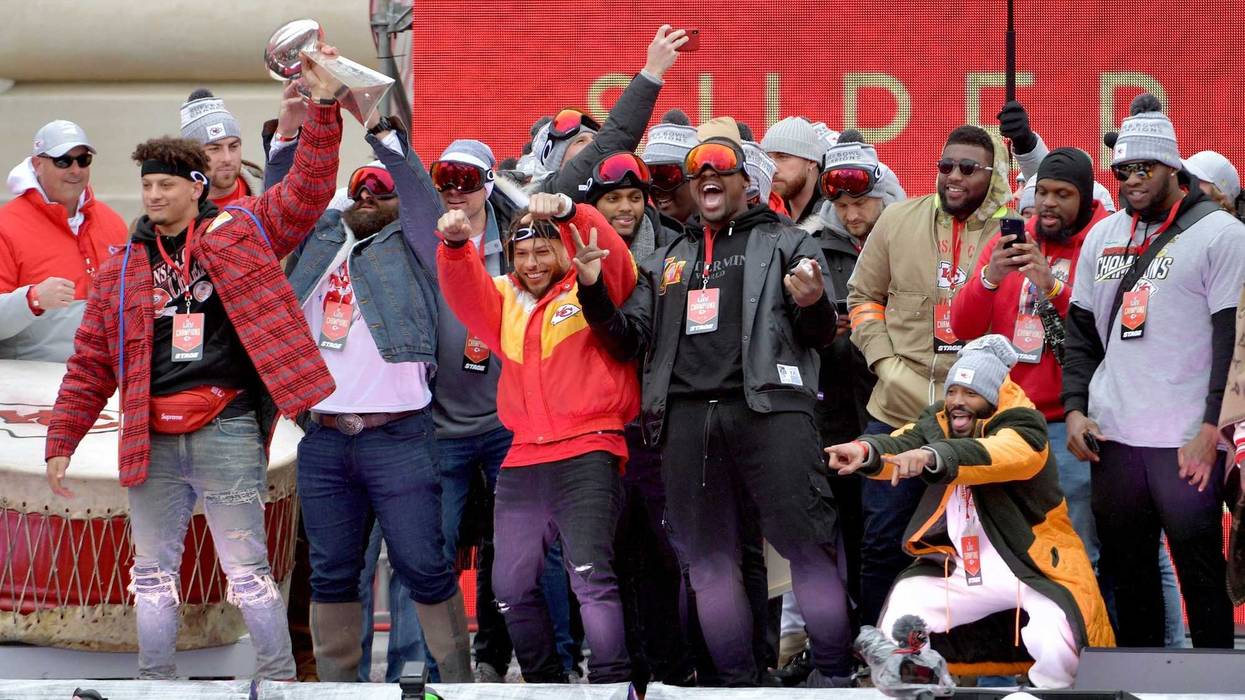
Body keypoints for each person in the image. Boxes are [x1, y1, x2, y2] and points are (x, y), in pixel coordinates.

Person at [44, 55, 344, 680]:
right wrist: (61, 440)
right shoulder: (124, 263)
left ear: (196, 187)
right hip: (147, 431)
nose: (154, 195)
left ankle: (280, 680)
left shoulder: (241, 230)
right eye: (148, 186)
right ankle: (155, 684)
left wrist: (321, 112)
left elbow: (309, 191)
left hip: (227, 424)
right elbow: (90, 362)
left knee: (248, 571)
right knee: (151, 573)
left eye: (167, 186)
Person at [580, 117, 852, 687]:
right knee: (708, 565)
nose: (704, 172)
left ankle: (834, 674)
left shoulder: (786, 240)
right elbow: (627, 338)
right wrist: (592, 291)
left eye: (719, 164)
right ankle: (735, 684)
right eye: (696, 166)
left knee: (807, 549)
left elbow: (822, 334)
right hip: (684, 421)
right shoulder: (666, 258)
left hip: (771, 412)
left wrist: (811, 305)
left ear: (746, 181)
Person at [283, 113, 472, 681]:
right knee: (332, 572)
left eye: (380, 189)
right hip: (324, 438)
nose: (368, 193)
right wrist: (292, 135)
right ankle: (340, 689)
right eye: (359, 188)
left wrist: (389, 146)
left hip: (399, 436)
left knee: (425, 567)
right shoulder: (318, 243)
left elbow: (423, 208)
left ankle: (457, 684)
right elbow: (280, 207)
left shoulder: (415, 246)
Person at [826, 335, 1114, 688]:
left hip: (1032, 566)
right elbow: (902, 442)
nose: (957, 403)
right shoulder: (939, 421)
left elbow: (995, 454)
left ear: (992, 398)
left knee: (1059, 630)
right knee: (905, 603)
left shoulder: (1025, 427)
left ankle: (1050, 692)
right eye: (952, 392)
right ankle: (917, 686)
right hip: (965, 569)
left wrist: (932, 457)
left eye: (970, 394)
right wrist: (865, 452)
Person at [1062, 98, 1244, 649]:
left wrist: (1213, 428)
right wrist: (1074, 410)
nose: (1133, 180)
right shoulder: (1102, 235)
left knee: (1199, 572)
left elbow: (1234, 342)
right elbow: (1081, 334)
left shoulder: (1221, 234)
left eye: (1145, 168)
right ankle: (1142, 684)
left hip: (1185, 439)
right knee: (1128, 572)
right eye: (1122, 170)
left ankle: (1216, 684)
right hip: (1114, 435)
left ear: (1174, 168)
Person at [436, 191, 639, 683]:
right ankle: (546, 683)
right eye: (522, 253)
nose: (531, 263)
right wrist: (456, 247)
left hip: (589, 447)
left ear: (564, 251)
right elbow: (463, 293)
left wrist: (572, 212)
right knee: (507, 586)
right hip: (524, 455)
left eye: (543, 251)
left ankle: (612, 684)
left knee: (590, 576)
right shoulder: (504, 298)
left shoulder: (589, 284)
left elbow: (615, 261)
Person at [847, 124, 1012, 627]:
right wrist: (884, 364)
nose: (953, 177)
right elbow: (862, 299)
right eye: (946, 167)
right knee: (882, 540)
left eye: (968, 168)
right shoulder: (898, 220)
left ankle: (964, 658)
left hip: (983, 419)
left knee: (981, 549)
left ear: (993, 174)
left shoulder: (1012, 228)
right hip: (896, 411)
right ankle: (879, 650)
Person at [950, 147, 1110, 570]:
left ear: (1085, 198)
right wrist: (990, 277)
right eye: (1043, 192)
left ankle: (1084, 637)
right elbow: (962, 326)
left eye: (1063, 194)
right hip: (1007, 422)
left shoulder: (1101, 242)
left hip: (1068, 422)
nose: (1050, 203)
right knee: (1007, 552)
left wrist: (1051, 287)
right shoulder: (1009, 241)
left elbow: (1102, 333)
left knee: (1075, 553)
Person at [803, 132, 906, 612]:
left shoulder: (909, 238)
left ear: (883, 195)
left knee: (889, 528)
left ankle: (891, 628)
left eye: (861, 202)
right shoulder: (813, 245)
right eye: (841, 205)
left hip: (895, 403)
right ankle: (848, 632)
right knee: (842, 525)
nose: (851, 214)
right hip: (835, 406)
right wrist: (825, 326)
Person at [0, 120, 128, 361]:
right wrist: (32, 299)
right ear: (38, 164)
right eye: (63, 161)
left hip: (105, 382)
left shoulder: (112, 222)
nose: (75, 170)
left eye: (83, 160)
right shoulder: (5, 226)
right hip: (30, 386)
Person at [528, 26, 686, 199]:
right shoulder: (551, 191)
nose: (592, 145)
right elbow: (612, 141)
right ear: (555, 163)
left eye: (594, 138)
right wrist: (652, 71)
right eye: (580, 141)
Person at [180, 89, 265, 208]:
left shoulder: (266, 192)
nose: (227, 158)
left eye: (233, 146)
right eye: (214, 149)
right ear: (191, 156)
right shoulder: (170, 207)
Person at [762, 116, 826, 224]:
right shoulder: (764, 215)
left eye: (783, 156)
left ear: (811, 161)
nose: (772, 168)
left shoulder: (837, 216)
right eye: (768, 158)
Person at [641, 114, 698, 233]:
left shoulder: (722, 236)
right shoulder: (641, 236)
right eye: (648, 176)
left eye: (667, 176)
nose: (656, 188)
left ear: (694, 176)